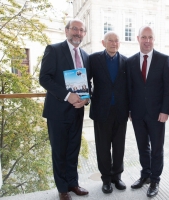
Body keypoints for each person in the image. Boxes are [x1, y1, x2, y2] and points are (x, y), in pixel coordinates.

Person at [39, 19, 90, 200]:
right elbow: (44, 79)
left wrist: (85, 100)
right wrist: (68, 96)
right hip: (58, 112)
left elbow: (87, 84)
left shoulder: (85, 55)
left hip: (77, 111)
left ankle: (73, 183)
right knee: (59, 151)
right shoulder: (53, 50)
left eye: (81, 30)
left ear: (84, 33)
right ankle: (62, 189)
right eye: (74, 29)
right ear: (66, 31)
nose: (77, 33)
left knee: (73, 150)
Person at [126, 26, 169, 197]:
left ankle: (155, 179)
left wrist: (165, 110)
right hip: (137, 113)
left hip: (157, 114)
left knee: (157, 148)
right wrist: (130, 110)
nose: (147, 40)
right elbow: (129, 88)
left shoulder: (164, 59)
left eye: (150, 37)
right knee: (142, 146)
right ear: (138, 38)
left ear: (154, 39)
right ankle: (145, 175)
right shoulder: (130, 62)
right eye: (144, 37)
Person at [87, 31, 129, 194]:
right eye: (110, 40)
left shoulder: (126, 61)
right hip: (101, 110)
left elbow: (130, 87)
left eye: (116, 41)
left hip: (120, 110)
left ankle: (117, 177)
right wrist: (87, 97)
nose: (113, 43)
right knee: (103, 147)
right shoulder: (93, 59)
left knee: (119, 146)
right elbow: (86, 80)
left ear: (120, 43)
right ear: (103, 43)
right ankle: (105, 179)